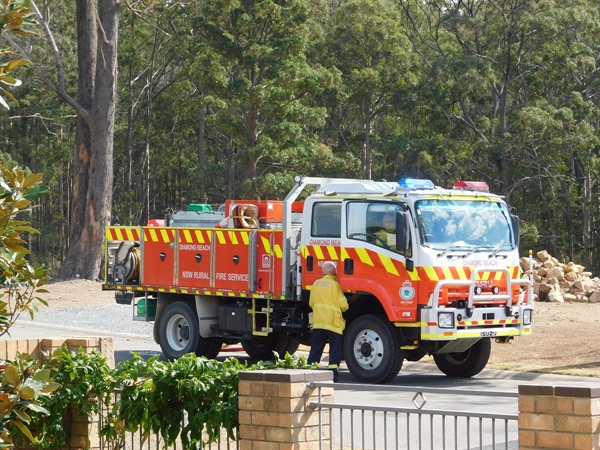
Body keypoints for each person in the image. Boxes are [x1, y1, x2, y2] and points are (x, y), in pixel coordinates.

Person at [307, 261, 349, 382]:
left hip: (318, 322)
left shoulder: (316, 284)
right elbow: (344, 305)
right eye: (335, 269)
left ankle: (310, 372)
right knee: (335, 350)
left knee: (316, 348)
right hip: (333, 324)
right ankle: (333, 375)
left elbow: (311, 303)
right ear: (332, 271)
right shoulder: (334, 285)